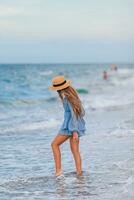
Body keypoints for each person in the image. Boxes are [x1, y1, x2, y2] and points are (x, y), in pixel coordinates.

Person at [49, 75, 86, 177]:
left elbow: (74, 114)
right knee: (75, 150)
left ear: (60, 89)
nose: (57, 92)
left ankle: (58, 172)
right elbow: (82, 112)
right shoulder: (73, 96)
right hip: (75, 126)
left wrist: (74, 131)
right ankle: (79, 173)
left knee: (54, 145)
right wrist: (76, 129)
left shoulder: (68, 98)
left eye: (57, 89)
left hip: (69, 127)